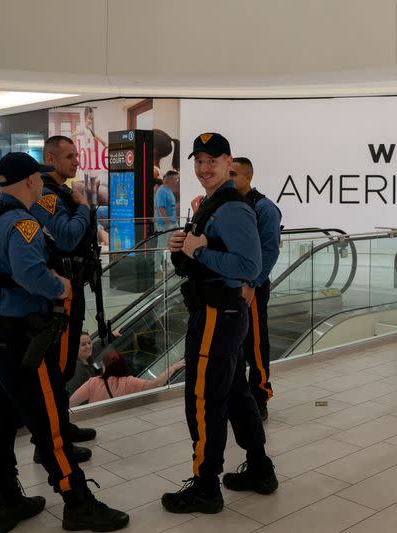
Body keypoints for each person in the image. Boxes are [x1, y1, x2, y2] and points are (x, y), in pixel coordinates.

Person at [0, 152, 128, 532]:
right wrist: (63, 285)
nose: (42, 183)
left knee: (0, 420)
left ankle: (5, 499)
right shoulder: (21, 224)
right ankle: (77, 502)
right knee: (50, 424)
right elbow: (30, 274)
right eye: (38, 178)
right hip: (22, 337)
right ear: (29, 182)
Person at [162, 132, 278, 514]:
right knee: (233, 393)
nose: (204, 168)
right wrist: (185, 247)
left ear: (229, 163)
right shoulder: (213, 204)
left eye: (212, 160)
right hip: (218, 312)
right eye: (198, 161)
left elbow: (250, 267)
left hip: (217, 314)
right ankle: (260, 466)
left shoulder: (233, 208)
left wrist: (201, 251)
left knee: (203, 398)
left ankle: (205, 485)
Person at [29, 136, 98, 460]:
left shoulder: (63, 193)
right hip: (61, 294)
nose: (76, 162)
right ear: (51, 157)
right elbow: (68, 238)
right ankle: (51, 444)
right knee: (57, 366)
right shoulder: (46, 195)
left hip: (74, 287)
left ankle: (62, 426)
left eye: (77, 156)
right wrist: (82, 206)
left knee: (67, 363)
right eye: (70, 156)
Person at [229, 157, 282, 420]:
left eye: (234, 174)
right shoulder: (226, 204)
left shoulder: (265, 208)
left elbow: (270, 250)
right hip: (227, 287)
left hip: (253, 289)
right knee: (232, 345)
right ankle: (237, 396)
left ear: (248, 176)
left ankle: (260, 396)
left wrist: (252, 284)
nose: (229, 178)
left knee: (256, 344)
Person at [69, 351, 185, 406]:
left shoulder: (93, 383)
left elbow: (72, 403)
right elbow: (156, 384)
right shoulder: (130, 382)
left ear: (104, 366)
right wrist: (173, 367)